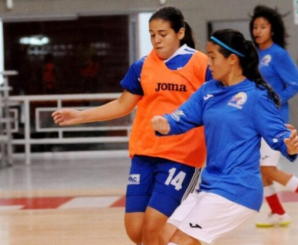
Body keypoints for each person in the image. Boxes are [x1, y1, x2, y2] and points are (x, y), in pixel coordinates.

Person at [52, 6, 212, 245]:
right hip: (144, 153)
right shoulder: (142, 66)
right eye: (152, 34)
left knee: (152, 227)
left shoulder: (202, 64)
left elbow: (218, 105)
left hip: (182, 156)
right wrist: (79, 116)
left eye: (162, 34)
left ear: (180, 33)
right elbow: (122, 104)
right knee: (136, 231)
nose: (156, 40)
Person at [151, 28, 298, 245]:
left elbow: (279, 137)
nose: (208, 63)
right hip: (209, 185)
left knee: (181, 241)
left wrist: (291, 146)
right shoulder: (208, 91)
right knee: (163, 237)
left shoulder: (256, 95)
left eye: (212, 57)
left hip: (237, 189)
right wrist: (165, 124)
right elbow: (180, 117)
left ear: (232, 59)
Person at [249, 5, 298, 227]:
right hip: (260, 120)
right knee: (262, 170)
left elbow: (296, 82)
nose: (258, 31)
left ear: (272, 30)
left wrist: (277, 99)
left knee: (268, 169)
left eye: (263, 27)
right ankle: (278, 212)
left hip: (276, 120)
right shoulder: (256, 55)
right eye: (255, 27)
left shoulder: (277, 54)